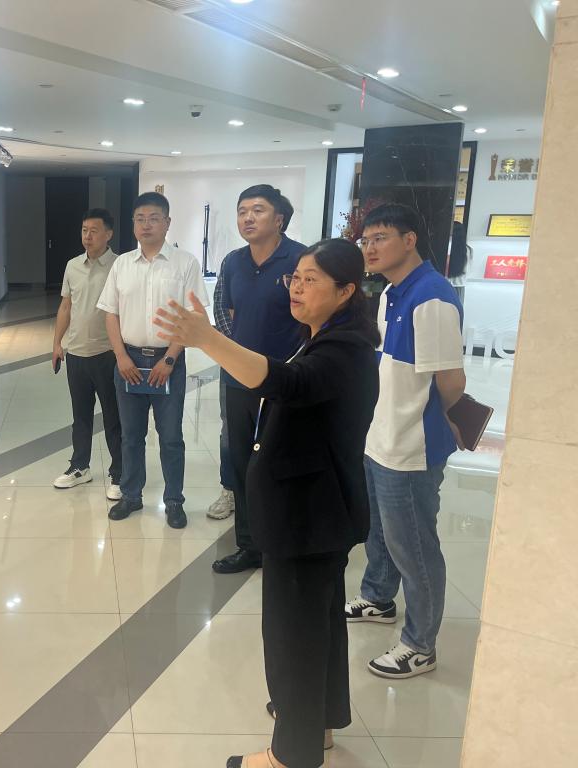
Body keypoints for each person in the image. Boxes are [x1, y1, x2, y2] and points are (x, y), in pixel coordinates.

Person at [154, 238, 379, 768]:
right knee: (318, 627)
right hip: (313, 510)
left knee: (292, 636)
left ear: (346, 291)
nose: (296, 288)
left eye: (311, 280)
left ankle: (290, 755)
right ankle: (318, 724)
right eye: (294, 278)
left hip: (307, 514)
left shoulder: (343, 349)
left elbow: (287, 383)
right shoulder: (326, 337)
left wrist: (208, 339)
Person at [345, 203, 466, 680]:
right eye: (366, 240)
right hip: (381, 436)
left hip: (411, 447)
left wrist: (446, 424)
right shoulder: (393, 292)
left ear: (410, 240)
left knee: (413, 546)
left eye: (381, 238)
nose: (370, 248)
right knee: (380, 533)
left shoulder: (431, 296)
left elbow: (450, 380)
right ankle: (378, 597)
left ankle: (420, 645)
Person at [97, 191, 209, 529]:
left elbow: (192, 316)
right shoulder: (121, 264)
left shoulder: (185, 263)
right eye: (140, 219)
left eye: (154, 218)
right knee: (131, 436)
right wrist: (120, 357)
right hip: (128, 360)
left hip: (167, 361)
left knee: (171, 436)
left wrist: (170, 359)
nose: (146, 225)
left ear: (167, 222)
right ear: (133, 224)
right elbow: (111, 314)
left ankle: (174, 501)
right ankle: (131, 495)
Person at [213, 185, 307, 574]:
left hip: (286, 381)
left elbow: (313, 319)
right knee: (241, 462)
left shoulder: (301, 260)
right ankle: (249, 545)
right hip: (237, 381)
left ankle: (285, 544)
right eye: (242, 211)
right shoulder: (233, 262)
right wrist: (237, 356)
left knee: (281, 460)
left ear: (279, 219)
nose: (248, 218)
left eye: (257, 210)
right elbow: (222, 309)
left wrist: (294, 365)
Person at [51, 209, 123, 500]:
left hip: (108, 353)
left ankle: (119, 473)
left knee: (113, 418)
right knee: (80, 416)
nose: (88, 236)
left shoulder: (120, 266)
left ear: (109, 234)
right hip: (77, 354)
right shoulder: (72, 266)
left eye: (94, 230)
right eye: (84, 230)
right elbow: (66, 306)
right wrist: (57, 343)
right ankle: (80, 466)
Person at [206, 252, 237, 520]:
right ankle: (230, 489)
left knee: (274, 427)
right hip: (234, 359)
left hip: (279, 361)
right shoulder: (232, 261)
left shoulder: (295, 257)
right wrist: (239, 347)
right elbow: (221, 306)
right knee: (231, 427)